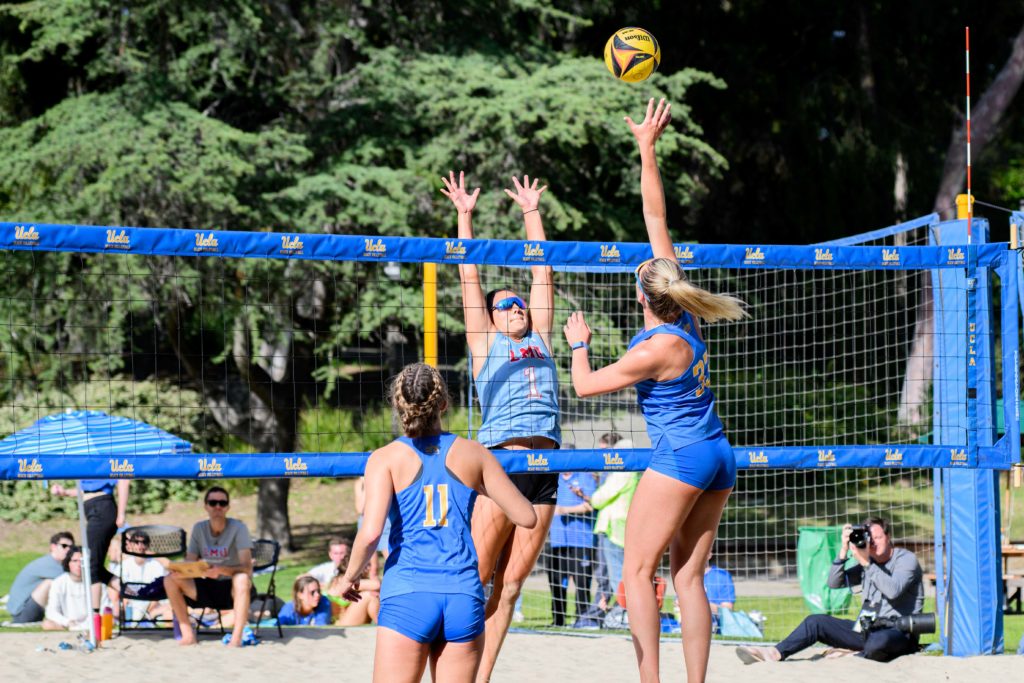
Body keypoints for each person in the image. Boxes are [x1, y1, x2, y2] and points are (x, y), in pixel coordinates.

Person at [563, 98, 747, 683]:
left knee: (637, 574)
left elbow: (585, 387)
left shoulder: (653, 349)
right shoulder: (684, 313)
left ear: (641, 297)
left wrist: (578, 344)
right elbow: (655, 216)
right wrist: (647, 149)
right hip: (718, 453)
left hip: (684, 458)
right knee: (688, 578)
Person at [334, 362, 537, 683]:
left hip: (409, 594)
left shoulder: (385, 458)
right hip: (462, 595)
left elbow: (371, 533)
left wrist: (349, 577)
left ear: (398, 405)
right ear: (443, 404)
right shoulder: (474, 454)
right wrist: (478, 484)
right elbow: (526, 516)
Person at [441, 170, 560, 681]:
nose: (516, 307)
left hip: (547, 466)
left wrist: (531, 211)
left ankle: (481, 676)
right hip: (502, 465)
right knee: (476, 579)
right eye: (504, 304)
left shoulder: (542, 337)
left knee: (510, 587)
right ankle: (452, 670)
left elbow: (542, 273)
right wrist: (464, 217)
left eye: (519, 303)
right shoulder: (486, 343)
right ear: (490, 317)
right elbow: (469, 275)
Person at [736, 517, 924, 664]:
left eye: (878, 538)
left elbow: (892, 590)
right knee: (815, 621)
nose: (873, 543)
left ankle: (853, 653)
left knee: (878, 642)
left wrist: (865, 562)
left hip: (898, 632)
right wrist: (843, 552)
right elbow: (834, 583)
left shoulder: (905, 560)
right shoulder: (868, 564)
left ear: (888, 537)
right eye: (870, 539)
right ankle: (774, 653)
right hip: (867, 628)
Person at [162, 486, 256, 647]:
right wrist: (182, 571)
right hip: (206, 585)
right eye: (213, 503)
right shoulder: (199, 528)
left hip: (232, 588)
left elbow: (247, 568)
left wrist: (221, 570)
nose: (217, 507)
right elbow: (190, 561)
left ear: (228, 507)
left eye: (222, 503)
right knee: (170, 579)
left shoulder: (239, 528)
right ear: (206, 506)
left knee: (241, 578)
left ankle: (236, 638)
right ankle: (188, 635)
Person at [50, 479, 130, 610]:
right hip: (95, 509)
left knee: (90, 566)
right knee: (95, 567)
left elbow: (123, 480)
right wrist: (65, 492)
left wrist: (121, 514)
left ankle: (94, 616)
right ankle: (134, 593)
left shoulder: (101, 466)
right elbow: (87, 490)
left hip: (102, 509)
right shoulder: (88, 470)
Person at [591, 436, 639, 610]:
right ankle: (624, 611)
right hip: (622, 526)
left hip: (614, 529)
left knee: (617, 575)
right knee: (621, 574)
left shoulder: (622, 472)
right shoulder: (636, 471)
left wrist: (594, 496)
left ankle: (624, 612)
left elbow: (598, 499)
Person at [547, 471, 598, 626]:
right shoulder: (553, 479)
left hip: (581, 541)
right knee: (556, 582)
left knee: (582, 583)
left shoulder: (586, 478)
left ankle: (582, 619)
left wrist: (565, 510)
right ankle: (558, 620)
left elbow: (592, 505)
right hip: (558, 540)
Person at [7, 531, 75, 624]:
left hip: (27, 610)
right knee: (52, 583)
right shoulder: (47, 564)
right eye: (64, 546)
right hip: (22, 614)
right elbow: (72, 579)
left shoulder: (56, 564)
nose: (68, 549)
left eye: (72, 547)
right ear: (53, 547)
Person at [42, 546, 108, 630]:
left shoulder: (96, 583)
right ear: (68, 563)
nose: (79, 565)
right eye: (75, 561)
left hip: (92, 623)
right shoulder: (58, 583)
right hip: (68, 623)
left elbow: (105, 608)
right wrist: (67, 622)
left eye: (82, 561)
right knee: (47, 624)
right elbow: (51, 611)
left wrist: (88, 623)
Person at [114, 529, 172, 623]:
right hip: (132, 606)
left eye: (144, 542)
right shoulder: (124, 565)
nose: (140, 545)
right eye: (136, 542)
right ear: (131, 545)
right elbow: (117, 590)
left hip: (153, 606)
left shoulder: (156, 565)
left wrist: (148, 610)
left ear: (148, 545)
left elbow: (160, 590)